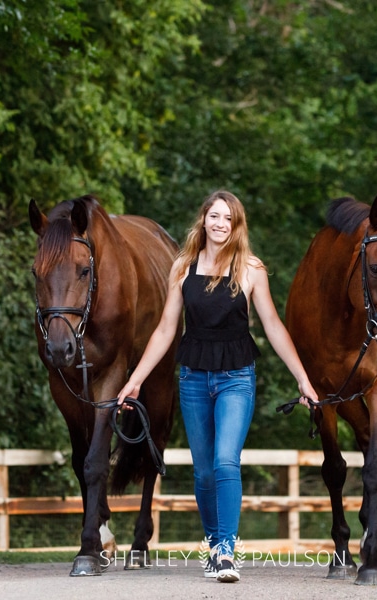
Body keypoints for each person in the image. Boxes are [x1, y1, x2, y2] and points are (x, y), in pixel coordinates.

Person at [116, 190, 318, 583]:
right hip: (193, 377)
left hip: (236, 378)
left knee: (226, 461)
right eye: (214, 216)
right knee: (204, 472)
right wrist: (135, 380)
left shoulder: (251, 270)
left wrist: (303, 379)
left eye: (228, 218)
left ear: (236, 224)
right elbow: (165, 330)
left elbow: (274, 328)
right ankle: (213, 546)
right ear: (203, 220)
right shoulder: (182, 267)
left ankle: (226, 552)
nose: (220, 223)